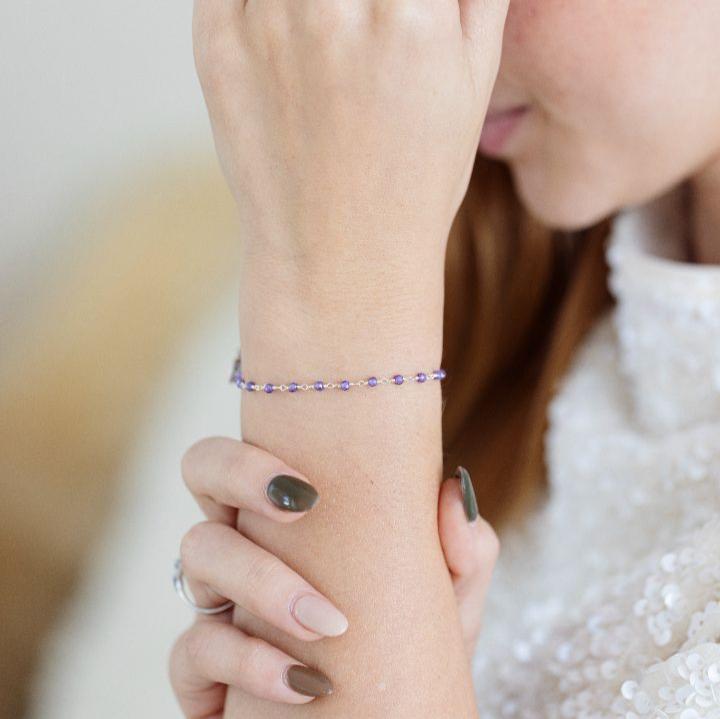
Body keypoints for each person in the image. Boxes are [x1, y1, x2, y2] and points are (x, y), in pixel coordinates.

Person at [169, 1, 720, 717]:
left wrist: (333, 301)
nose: (404, 20)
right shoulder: (497, 299)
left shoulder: (363, 283)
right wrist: (403, 665)